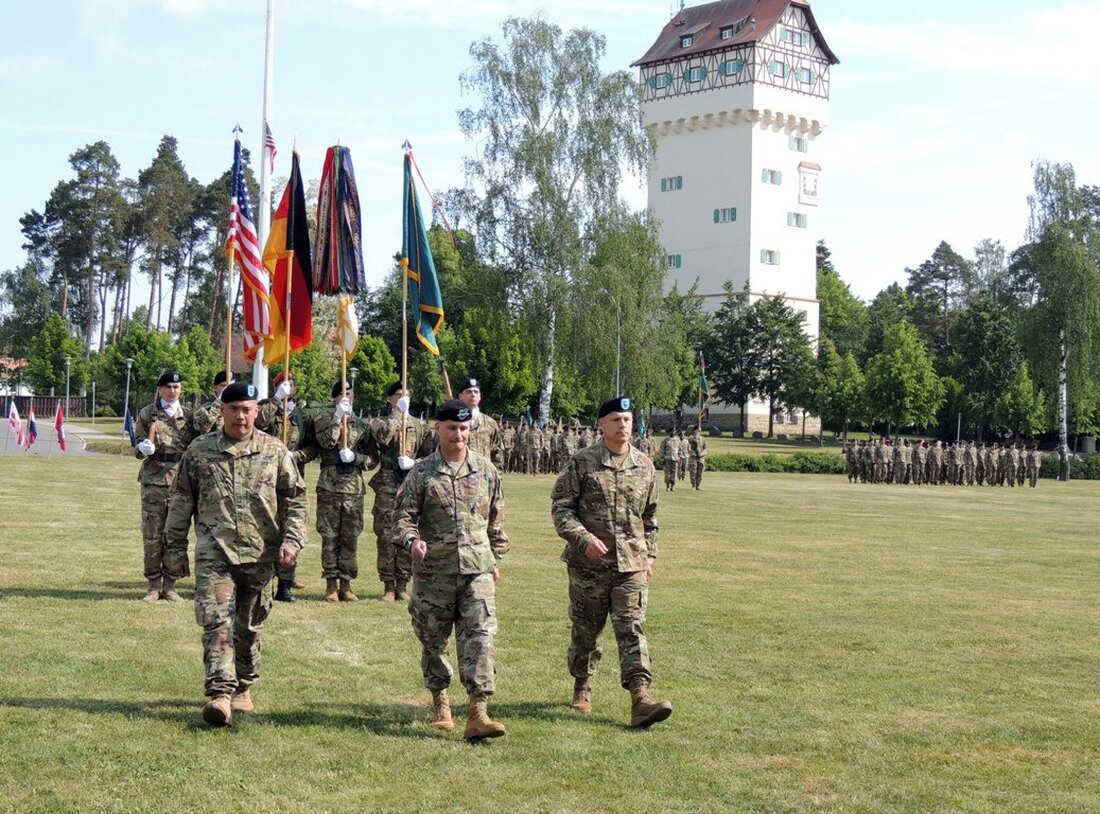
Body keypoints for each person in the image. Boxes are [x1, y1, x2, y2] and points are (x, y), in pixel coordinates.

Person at [163, 381, 308, 727]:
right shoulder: (200, 451)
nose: (240, 416)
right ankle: (220, 694)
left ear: (257, 411)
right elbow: (182, 500)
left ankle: (244, 684)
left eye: (247, 409)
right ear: (222, 411)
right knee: (217, 623)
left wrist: (292, 541)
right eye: (233, 409)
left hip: (261, 554)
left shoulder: (275, 451)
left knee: (249, 627)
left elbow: (295, 499)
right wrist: (175, 549)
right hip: (216, 551)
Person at [551, 396, 672, 729]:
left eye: (628, 419)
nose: (623, 425)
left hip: (631, 564)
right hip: (588, 566)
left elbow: (650, 517)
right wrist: (583, 539)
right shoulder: (582, 463)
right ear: (601, 424)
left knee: (631, 628)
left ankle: (640, 697)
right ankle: (582, 682)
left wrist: (649, 555)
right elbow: (561, 510)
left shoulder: (645, 465)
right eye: (616, 419)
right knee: (586, 633)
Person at [392, 399, 510, 740]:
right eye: (451, 428)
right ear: (438, 429)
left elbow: (497, 523)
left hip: (477, 572)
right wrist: (412, 541)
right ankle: (440, 699)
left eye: (463, 428)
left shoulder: (486, 471)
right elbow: (400, 518)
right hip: (435, 573)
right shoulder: (422, 473)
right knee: (434, 640)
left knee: (481, 638)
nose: (458, 434)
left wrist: (494, 560)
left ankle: (478, 711)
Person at [365, 381, 435, 602]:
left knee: (409, 532)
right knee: (386, 535)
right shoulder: (379, 422)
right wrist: (397, 414)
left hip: (411, 484)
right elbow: (383, 437)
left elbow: (431, 455)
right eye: (398, 395)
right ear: (390, 399)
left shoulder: (420, 425)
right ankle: (388, 584)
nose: (403, 398)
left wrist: (414, 462)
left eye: (406, 394)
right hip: (387, 484)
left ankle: (403, 583)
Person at [256, 371, 319, 602]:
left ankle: (285, 584)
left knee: (291, 527)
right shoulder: (267, 407)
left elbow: (313, 447)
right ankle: (263, 578)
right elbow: (258, 422)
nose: (288, 386)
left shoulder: (302, 415)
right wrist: (275, 399)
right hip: (265, 477)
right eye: (283, 383)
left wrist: (296, 455)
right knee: (264, 526)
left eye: (291, 383)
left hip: (293, 478)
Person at [134, 370, 194, 602]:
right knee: (153, 533)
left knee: (175, 534)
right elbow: (138, 446)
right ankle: (152, 585)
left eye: (176, 387)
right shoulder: (148, 413)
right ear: (160, 389)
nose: (172, 391)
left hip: (180, 481)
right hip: (155, 480)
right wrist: (142, 448)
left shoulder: (188, 415)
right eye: (168, 386)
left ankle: (170, 585)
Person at [314, 381, 375, 603]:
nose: (345, 397)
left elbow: (372, 459)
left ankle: (346, 584)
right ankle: (330, 583)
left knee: (350, 537)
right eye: (341, 394)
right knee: (329, 536)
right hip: (329, 486)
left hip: (353, 489)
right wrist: (338, 418)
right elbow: (326, 442)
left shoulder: (362, 425)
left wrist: (356, 458)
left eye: (349, 393)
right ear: (334, 398)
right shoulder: (323, 418)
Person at [456, 377, 502, 467]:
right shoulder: (452, 422)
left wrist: (497, 476)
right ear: (460, 396)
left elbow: (497, 453)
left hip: (483, 477)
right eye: (469, 391)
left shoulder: (490, 423)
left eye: (476, 392)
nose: (473, 394)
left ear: (480, 396)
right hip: (459, 476)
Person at [190, 370, 232, 436]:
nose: (228, 390)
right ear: (215, 388)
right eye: (223, 386)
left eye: (232, 386)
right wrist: (219, 401)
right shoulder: (206, 408)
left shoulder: (242, 409)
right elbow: (201, 428)